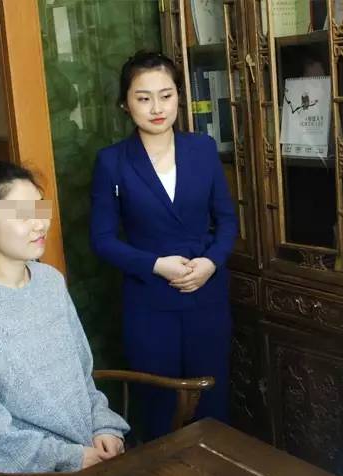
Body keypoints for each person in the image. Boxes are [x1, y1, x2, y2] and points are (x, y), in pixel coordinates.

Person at [89, 51, 237, 440]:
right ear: (125, 103)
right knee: (157, 412)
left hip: (206, 298)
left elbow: (227, 220)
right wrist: (156, 264)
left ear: (178, 98)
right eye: (144, 98)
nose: (157, 108)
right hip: (149, 304)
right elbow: (102, 240)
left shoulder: (202, 149)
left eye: (166, 95)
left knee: (213, 406)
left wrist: (210, 263)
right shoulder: (112, 162)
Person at [0, 148, 129, 473]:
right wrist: (70, 458)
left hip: (93, 452)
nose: (40, 224)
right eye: (23, 216)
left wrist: (104, 426)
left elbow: (82, 374)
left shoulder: (50, 281)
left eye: (40, 209)